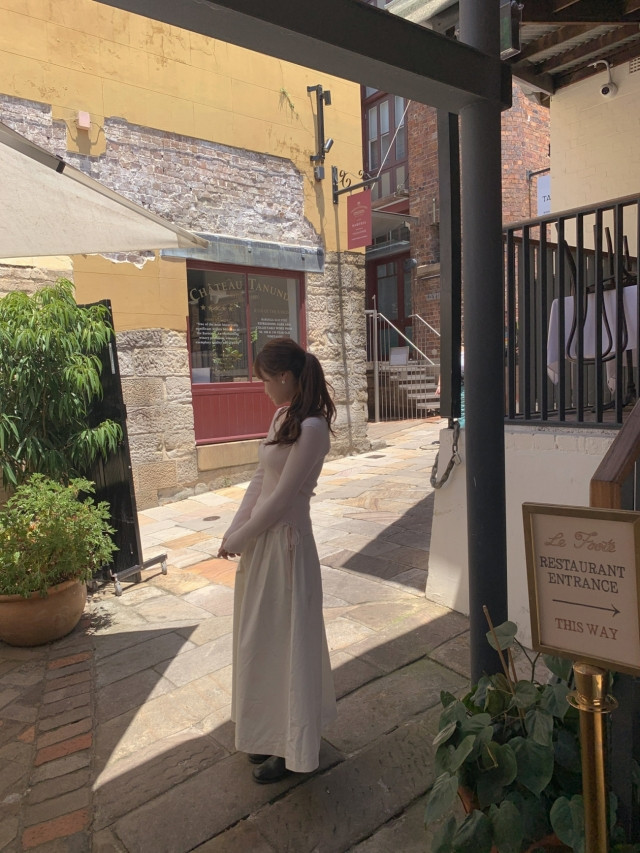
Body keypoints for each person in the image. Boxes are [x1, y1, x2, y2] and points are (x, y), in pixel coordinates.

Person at [217, 337, 337, 784]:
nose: (263, 387)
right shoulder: (282, 416)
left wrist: (243, 535)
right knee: (261, 643)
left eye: (266, 379)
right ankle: (267, 734)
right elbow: (259, 479)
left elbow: (284, 497)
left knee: (290, 645)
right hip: (262, 544)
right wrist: (234, 528)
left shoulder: (313, 428)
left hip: (287, 546)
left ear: (286, 377)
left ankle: (293, 749)